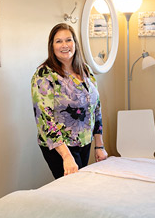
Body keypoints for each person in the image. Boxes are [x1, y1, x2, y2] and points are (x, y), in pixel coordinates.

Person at [31, 23, 108, 179]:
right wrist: (66, 156)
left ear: (75, 43)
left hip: (84, 142)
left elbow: (96, 108)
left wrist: (99, 145)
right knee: (73, 190)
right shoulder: (44, 75)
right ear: (52, 46)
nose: (64, 45)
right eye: (58, 41)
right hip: (60, 146)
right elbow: (45, 119)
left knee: (79, 190)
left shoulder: (85, 70)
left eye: (68, 40)